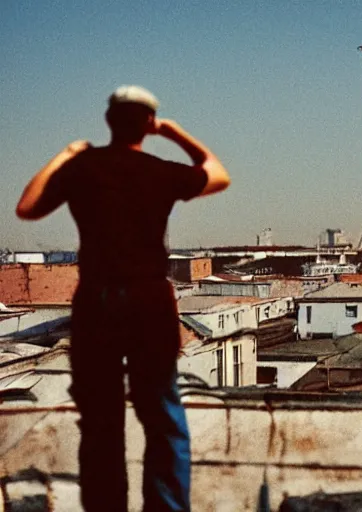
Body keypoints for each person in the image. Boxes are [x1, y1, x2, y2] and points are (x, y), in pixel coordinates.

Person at [16, 85, 230, 512]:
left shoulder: (83, 167)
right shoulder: (160, 170)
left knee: (101, 423)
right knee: (163, 416)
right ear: (147, 125)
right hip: (150, 303)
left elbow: (29, 206)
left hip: (96, 304)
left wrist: (65, 154)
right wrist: (174, 133)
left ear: (108, 120)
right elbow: (218, 174)